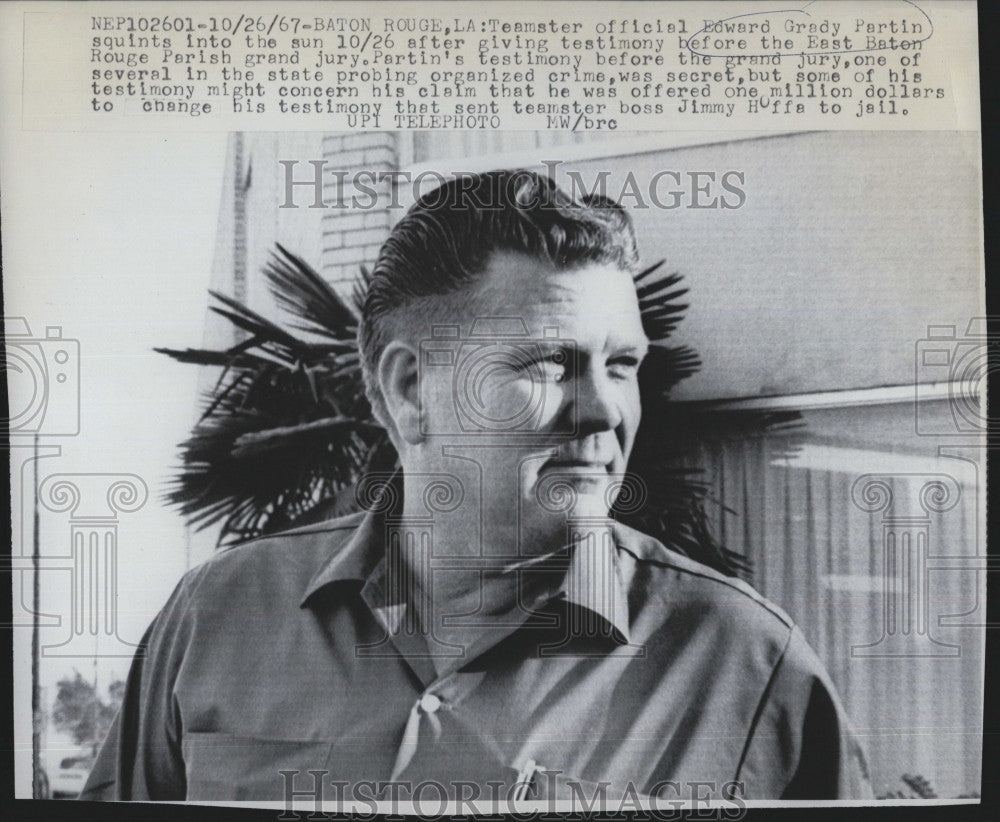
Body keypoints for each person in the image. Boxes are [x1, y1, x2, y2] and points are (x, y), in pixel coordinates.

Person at [81, 169, 870, 805]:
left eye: (622, 364)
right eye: (548, 364)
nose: (604, 410)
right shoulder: (217, 619)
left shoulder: (744, 662)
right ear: (410, 391)